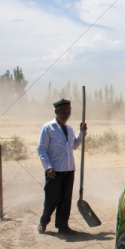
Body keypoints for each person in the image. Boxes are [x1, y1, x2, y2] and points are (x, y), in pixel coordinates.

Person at [37, 98, 87, 235]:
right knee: (52, 198)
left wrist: (82, 133)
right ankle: (44, 221)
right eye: (63, 112)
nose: (66, 114)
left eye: (68, 112)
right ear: (56, 112)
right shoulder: (48, 128)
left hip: (69, 169)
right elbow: (41, 150)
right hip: (54, 170)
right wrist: (47, 167)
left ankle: (62, 226)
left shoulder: (69, 129)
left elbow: (75, 146)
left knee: (66, 199)